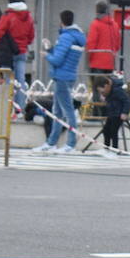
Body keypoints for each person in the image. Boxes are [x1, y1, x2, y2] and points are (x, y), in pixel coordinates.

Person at [37, 9, 85, 153]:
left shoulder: (66, 37)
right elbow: (64, 55)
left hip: (62, 77)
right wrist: (51, 48)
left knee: (67, 111)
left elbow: (57, 60)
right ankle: (51, 142)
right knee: (57, 111)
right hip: (69, 75)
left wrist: (46, 55)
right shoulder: (77, 36)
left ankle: (70, 144)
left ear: (62, 21)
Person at [0, 0, 35, 111]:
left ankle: (7, 108)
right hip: (22, 51)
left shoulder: (7, 15)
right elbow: (31, 35)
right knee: (21, 80)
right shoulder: (27, 16)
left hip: (7, 52)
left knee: (7, 81)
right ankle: (20, 108)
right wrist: (24, 44)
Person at [94, 75, 129, 153]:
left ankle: (114, 149)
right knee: (106, 131)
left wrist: (125, 112)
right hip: (112, 113)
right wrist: (104, 97)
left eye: (102, 92)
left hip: (119, 114)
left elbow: (126, 101)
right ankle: (106, 148)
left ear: (106, 86)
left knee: (114, 131)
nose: (102, 94)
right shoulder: (109, 89)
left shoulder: (118, 90)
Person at [85, 1, 121, 76]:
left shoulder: (95, 24)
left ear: (96, 11)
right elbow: (117, 45)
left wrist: (88, 59)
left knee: (97, 86)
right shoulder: (115, 25)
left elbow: (91, 44)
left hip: (96, 63)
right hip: (111, 63)